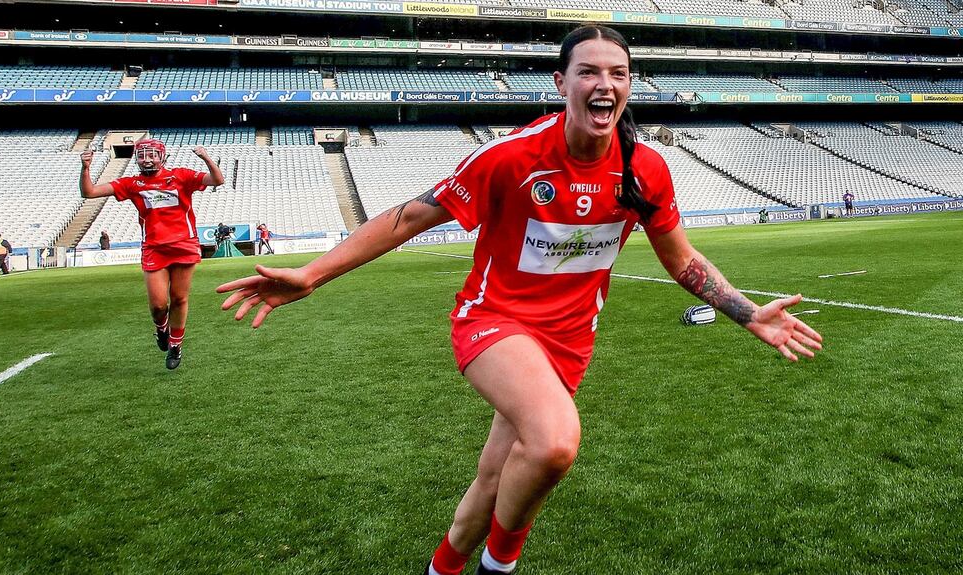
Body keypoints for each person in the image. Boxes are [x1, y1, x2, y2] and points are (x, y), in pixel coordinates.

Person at [217, 25, 823, 575]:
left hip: (569, 342)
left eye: (618, 72)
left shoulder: (645, 172)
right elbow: (409, 218)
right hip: (494, 322)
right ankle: (497, 569)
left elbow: (682, 259)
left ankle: (444, 567)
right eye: (588, 71)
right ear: (561, 83)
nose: (604, 83)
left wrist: (746, 313)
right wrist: (312, 274)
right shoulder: (510, 157)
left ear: (630, 85)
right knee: (556, 440)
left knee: (493, 481)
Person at [80, 139, 224, 370]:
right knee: (158, 305)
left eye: (152, 155)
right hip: (154, 247)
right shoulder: (132, 183)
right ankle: (161, 329)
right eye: (142, 155)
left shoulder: (180, 176)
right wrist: (86, 168)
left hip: (184, 244)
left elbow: (218, 179)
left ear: (162, 157)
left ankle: (176, 345)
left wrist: (206, 158)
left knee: (179, 298)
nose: (146, 159)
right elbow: (89, 193)